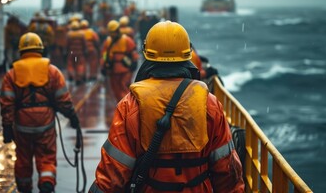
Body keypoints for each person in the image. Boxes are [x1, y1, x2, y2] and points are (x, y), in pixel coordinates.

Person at [89, 21, 244, 192]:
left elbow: (114, 173)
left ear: (148, 55)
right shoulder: (210, 103)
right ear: (187, 55)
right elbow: (227, 170)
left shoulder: (130, 105)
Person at [0, 32, 79, 193]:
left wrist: (7, 126)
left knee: (23, 160)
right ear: (41, 49)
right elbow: (63, 99)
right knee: (47, 157)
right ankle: (46, 183)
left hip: (22, 126)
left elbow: (7, 104)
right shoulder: (52, 71)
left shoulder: (11, 74)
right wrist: (72, 116)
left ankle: (24, 187)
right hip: (45, 125)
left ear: (21, 50)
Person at [100, 20, 138, 102]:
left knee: (124, 87)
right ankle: (122, 107)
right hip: (113, 70)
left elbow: (133, 52)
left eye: (114, 32)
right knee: (115, 90)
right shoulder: (108, 42)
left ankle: (127, 108)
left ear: (118, 31)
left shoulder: (127, 40)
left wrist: (134, 63)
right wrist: (103, 66)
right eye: (111, 33)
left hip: (125, 70)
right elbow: (104, 55)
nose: (112, 35)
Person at [66, 21, 88, 85]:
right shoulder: (81, 34)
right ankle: (78, 78)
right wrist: (85, 50)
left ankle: (71, 76)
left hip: (72, 53)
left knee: (71, 64)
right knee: (80, 65)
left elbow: (67, 44)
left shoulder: (69, 34)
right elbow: (84, 44)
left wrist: (67, 51)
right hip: (79, 53)